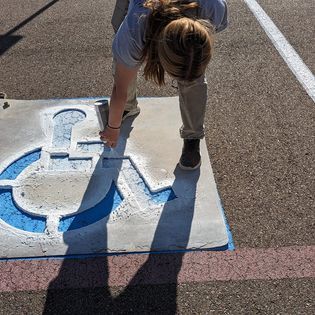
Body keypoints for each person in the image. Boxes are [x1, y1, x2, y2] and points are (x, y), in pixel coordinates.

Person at [100, 0, 228, 170]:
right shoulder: (135, 28)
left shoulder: (213, 8)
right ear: (159, 54)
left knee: (190, 64)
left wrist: (190, 55)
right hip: (142, 13)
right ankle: (128, 107)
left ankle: (192, 136)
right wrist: (113, 128)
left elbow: (193, 51)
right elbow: (120, 88)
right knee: (124, 56)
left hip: (185, 17)